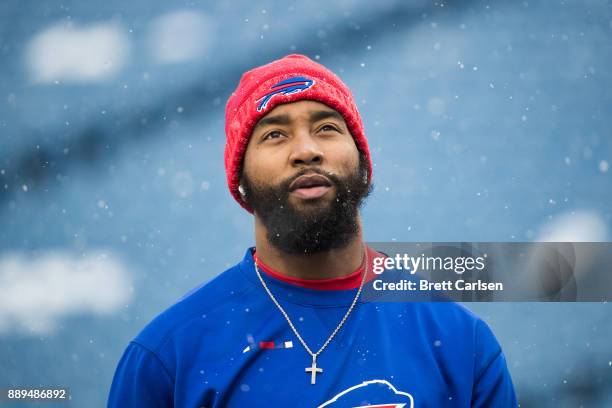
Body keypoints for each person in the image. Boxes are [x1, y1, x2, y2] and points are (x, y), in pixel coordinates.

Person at [108, 54, 517, 407]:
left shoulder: (459, 341)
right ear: (240, 180)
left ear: (362, 161)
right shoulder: (170, 357)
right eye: (274, 134)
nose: (306, 150)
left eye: (326, 127)